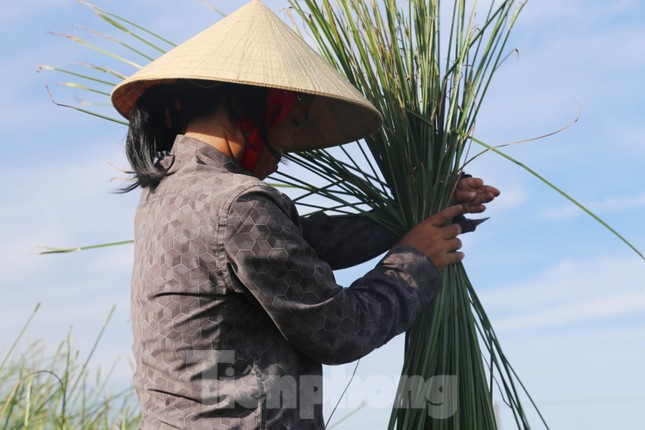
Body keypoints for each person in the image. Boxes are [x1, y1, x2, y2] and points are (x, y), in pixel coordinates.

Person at [111, 1, 500, 429]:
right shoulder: (238, 204)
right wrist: (413, 261)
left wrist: (422, 208)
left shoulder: (168, 193)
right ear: (267, 107)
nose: (291, 142)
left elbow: (301, 244)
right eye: (293, 121)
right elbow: (342, 329)